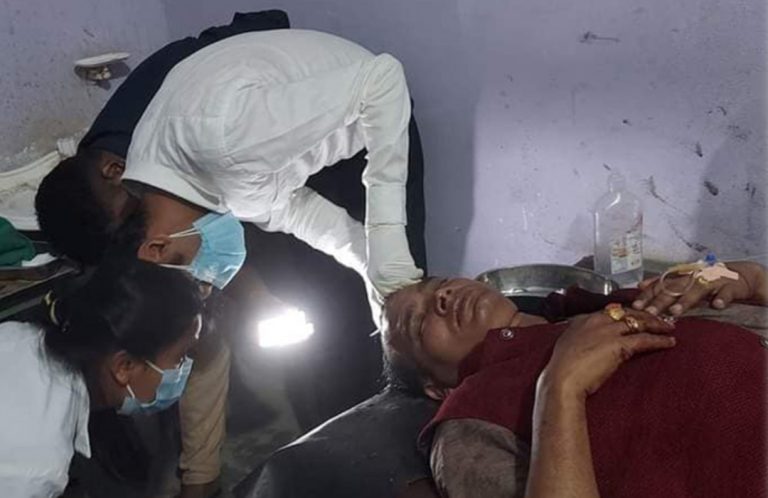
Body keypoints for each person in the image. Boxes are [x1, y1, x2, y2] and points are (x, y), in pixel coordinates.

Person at [36, 28, 424, 305]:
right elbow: (297, 212)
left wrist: (387, 244)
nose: (211, 283)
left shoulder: (223, 140)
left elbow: (382, 79)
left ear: (156, 248)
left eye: (198, 279)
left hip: (372, 111)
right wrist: (372, 271)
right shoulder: (190, 186)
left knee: (397, 256)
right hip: (312, 131)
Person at [381, 261, 767, 498]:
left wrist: (749, 278)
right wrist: (561, 388)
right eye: (418, 322)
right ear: (438, 388)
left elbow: (721, 276)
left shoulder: (597, 305)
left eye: (440, 283)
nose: (445, 296)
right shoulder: (469, 424)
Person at [0, 256, 203, 497]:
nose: (184, 368)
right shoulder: (37, 469)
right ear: (124, 366)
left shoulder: (15, 333)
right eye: (181, 357)